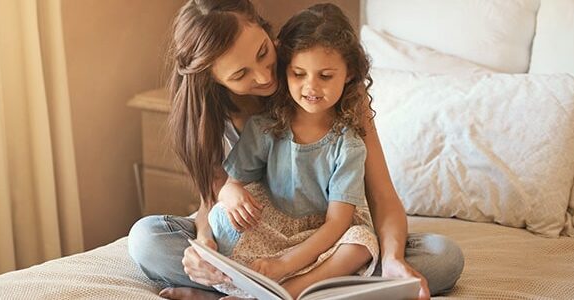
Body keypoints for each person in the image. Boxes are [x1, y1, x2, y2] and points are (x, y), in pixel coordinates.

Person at [127, 0, 464, 299]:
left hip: (328, 237)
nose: (264, 76)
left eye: (263, 52)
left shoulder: (323, 82)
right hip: (260, 236)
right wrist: (203, 244)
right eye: (242, 73)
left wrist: (393, 259)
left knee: (442, 258)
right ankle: (284, 290)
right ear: (213, 79)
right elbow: (214, 198)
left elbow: (381, 195)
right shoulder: (213, 115)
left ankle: (250, 292)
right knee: (147, 239)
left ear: (263, 27)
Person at [208, 4, 380, 298]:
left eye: (325, 76)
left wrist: (285, 263)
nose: (310, 87)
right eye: (298, 74)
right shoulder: (266, 126)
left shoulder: (348, 145)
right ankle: (249, 288)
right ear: (286, 69)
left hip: (324, 234)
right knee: (221, 218)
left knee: (362, 244)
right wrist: (230, 192)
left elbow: (338, 222)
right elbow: (232, 181)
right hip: (274, 227)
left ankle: (291, 289)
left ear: (349, 74)